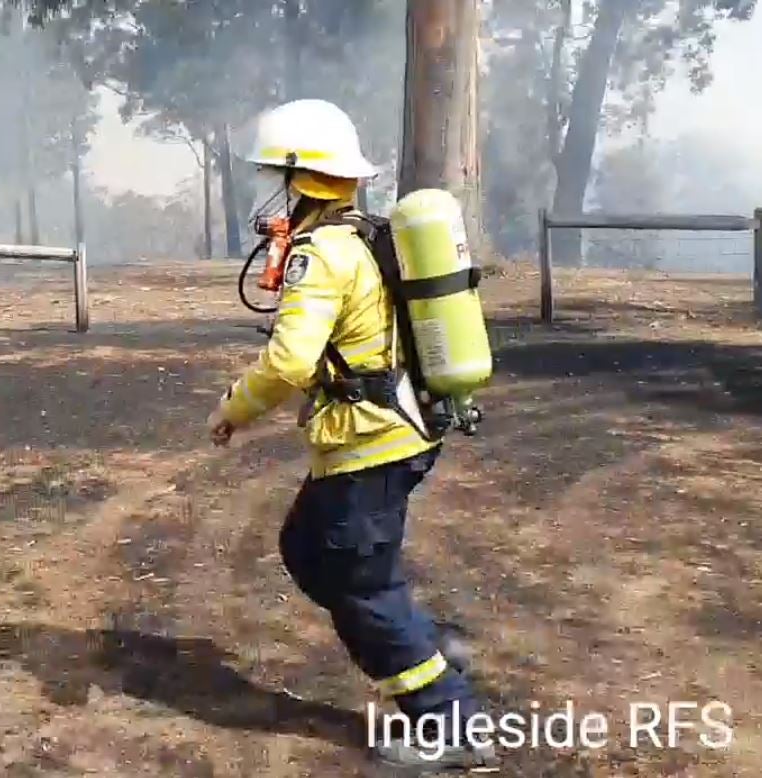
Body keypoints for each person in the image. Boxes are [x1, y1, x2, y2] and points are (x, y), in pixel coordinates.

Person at [207, 99, 498, 774]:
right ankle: (421, 645)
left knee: (361, 585)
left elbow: (287, 362)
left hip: (371, 447)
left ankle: (452, 720)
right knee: (306, 548)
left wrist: (233, 410)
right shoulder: (358, 238)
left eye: (271, 177)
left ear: (301, 179)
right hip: (388, 436)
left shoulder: (320, 254)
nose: (265, 193)